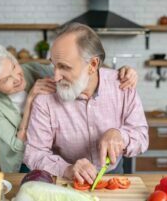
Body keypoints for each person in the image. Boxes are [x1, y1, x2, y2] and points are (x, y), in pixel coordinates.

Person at [0, 42, 138, 173]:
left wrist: (119, 73)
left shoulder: (32, 70)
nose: (17, 78)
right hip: (19, 162)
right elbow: (18, 146)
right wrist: (30, 101)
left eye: (14, 66)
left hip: (50, 159)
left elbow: (75, 72)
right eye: (6, 79)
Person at [24, 23, 148, 184]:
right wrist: (66, 169)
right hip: (65, 179)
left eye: (64, 67)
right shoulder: (45, 98)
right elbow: (34, 153)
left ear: (93, 65)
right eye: (54, 65)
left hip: (112, 177)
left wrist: (120, 135)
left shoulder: (123, 86)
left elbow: (142, 137)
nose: (55, 77)